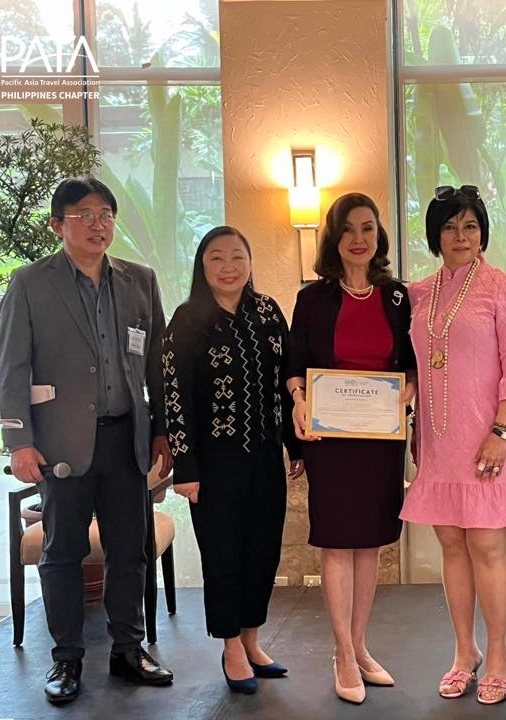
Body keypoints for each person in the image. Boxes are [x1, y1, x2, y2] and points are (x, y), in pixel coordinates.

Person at [0, 176, 174, 705]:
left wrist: (163, 429)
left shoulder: (140, 280)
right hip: (59, 445)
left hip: (127, 440)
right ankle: (67, 658)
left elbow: (157, 364)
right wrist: (19, 442)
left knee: (130, 550)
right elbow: (11, 368)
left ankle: (129, 649)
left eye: (106, 215)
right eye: (85, 215)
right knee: (61, 553)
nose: (99, 225)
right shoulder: (30, 283)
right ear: (58, 225)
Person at [400, 185, 506, 706]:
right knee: (452, 547)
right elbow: (414, 366)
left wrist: (502, 432)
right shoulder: (419, 293)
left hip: (490, 436)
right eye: (451, 227)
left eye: (471, 226)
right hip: (438, 439)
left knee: (486, 547)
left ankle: (498, 654)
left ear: (483, 232)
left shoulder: (504, 288)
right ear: (435, 235)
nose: (461, 236)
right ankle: (465, 652)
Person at [287, 193, 416, 704]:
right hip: (331, 440)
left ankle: (360, 645)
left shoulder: (398, 297)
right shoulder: (313, 299)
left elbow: (413, 361)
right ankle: (341, 652)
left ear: (379, 235)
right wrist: (299, 399)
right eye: (348, 229)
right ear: (334, 238)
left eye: (367, 228)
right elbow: (294, 361)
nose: (359, 239)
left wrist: (409, 387)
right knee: (338, 542)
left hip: (380, 439)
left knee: (370, 543)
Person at [163, 226, 302, 694]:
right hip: (213, 464)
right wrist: (185, 466)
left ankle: (252, 640)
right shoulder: (188, 320)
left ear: (250, 262)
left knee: (263, 551)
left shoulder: (267, 312)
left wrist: (295, 446)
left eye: (237, 256)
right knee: (223, 555)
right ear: (202, 266)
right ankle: (230, 648)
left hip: (265, 457)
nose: (228, 267)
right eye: (217, 258)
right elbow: (175, 396)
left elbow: (288, 382)